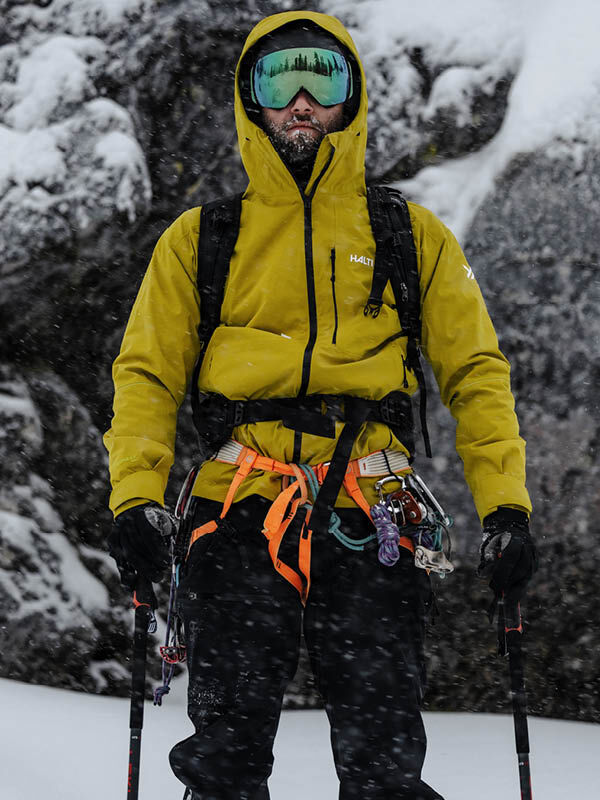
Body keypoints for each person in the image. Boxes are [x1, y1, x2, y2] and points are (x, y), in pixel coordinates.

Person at [104, 10, 537, 800]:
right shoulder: (201, 239)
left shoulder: (411, 234)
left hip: (373, 508)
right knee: (226, 759)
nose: (301, 101)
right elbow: (146, 376)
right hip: (239, 502)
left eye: (321, 78)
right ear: (251, 100)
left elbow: (476, 372)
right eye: (279, 80)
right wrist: (135, 497)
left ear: (352, 97)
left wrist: (506, 508)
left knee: (383, 762)